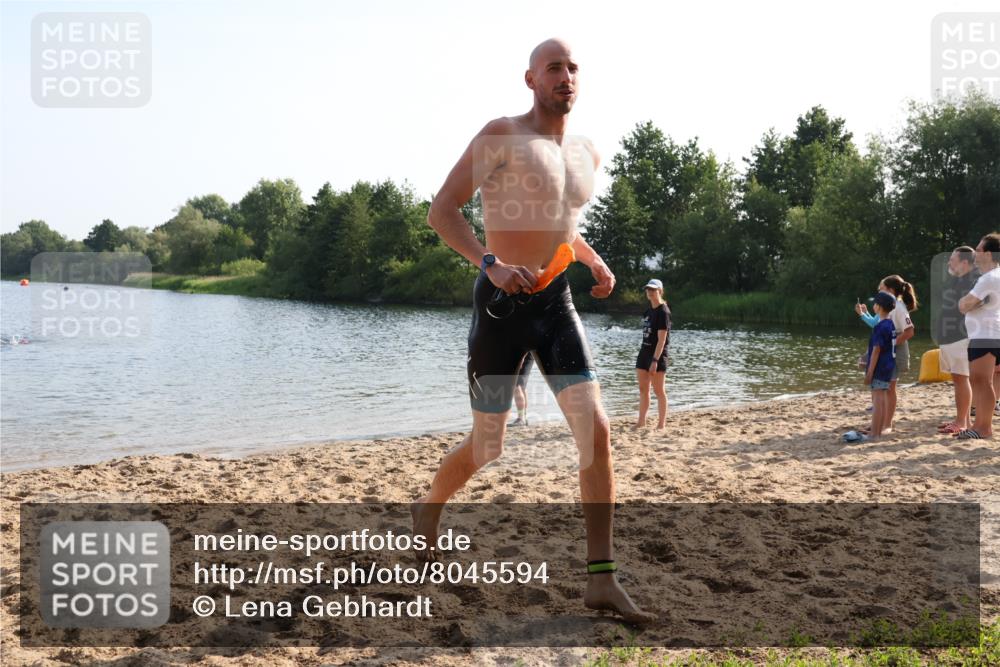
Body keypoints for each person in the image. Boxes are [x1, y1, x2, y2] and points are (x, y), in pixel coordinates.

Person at [412, 38, 654, 624]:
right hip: (499, 307)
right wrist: (489, 262)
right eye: (554, 68)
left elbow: (563, 226)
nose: (565, 76)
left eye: (573, 68)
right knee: (487, 446)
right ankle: (427, 509)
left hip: (556, 305)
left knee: (596, 430)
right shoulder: (502, 135)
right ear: (531, 79)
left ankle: (601, 579)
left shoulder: (587, 153)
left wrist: (590, 259)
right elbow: (442, 212)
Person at [855, 275, 917, 433]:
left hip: (893, 348)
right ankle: (878, 422)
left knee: (889, 388)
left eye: (881, 289)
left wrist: (892, 344)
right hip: (884, 346)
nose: (878, 292)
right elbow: (876, 324)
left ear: (890, 290)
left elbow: (909, 331)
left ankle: (887, 424)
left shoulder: (899, 307)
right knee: (880, 387)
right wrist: (863, 314)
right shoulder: (887, 308)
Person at [956, 232, 1000, 439]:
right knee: (982, 380)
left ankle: (984, 428)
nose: (976, 252)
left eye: (979, 249)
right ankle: (979, 425)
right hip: (991, 334)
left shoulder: (988, 279)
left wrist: (964, 304)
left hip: (985, 335)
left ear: (989, 254)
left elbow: (964, 304)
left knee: (982, 381)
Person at [935, 247, 978, 434]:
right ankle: (964, 420)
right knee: (958, 379)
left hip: (960, 337)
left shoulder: (973, 281)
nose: (949, 263)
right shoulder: (960, 280)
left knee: (962, 379)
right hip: (951, 337)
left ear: (964, 262)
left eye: (952, 259)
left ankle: (961, 422)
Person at [634, 278, 670, 430]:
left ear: (660, 291)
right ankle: (641, 422)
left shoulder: (663, 312)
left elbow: (662, 340)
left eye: (653, 289)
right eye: (648, 289)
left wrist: (655, 360)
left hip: (657, 355)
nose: (650, 292)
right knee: (643, 389)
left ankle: (661, 424)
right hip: (644, 353)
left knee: (659, 390)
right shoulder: (648, 311)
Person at [864, 292, 899, 439]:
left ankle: (875, 433)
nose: (873, 305)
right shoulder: (890, 324)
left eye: (875, 303)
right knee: (881, 398)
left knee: (877, 401)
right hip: (888, 366)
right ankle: (876, 431)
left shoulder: (880, 327)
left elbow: (877, 350)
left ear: (878, 307)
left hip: (879, 368)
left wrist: (870, 372)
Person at [509, 353, 534, 427]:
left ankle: (521, 418)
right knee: (521, 386)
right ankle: (523, 417)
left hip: (523, 353)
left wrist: (522, 356)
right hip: (527, 353)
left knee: (516, 385)